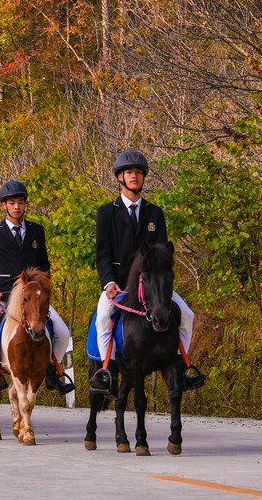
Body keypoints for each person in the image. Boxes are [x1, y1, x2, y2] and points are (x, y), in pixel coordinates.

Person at [89, 150, 205, 396]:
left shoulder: (155, 213)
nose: (134, 176)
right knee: (102, 320)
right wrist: (108, 283)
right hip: (120, 285)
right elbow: (102, 254)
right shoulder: (106, 212)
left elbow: (161, 253)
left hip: (152, 285)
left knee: (187, 314)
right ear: (120, 177)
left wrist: (160, 284)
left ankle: (181, 366)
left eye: (139, 173)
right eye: (130, 172)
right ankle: (106, 372)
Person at [0, 180, 74, 395]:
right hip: (4, 295)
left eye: (20, 202)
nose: (17, 207)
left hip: (31, 298)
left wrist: (42, 286)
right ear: (4, 205)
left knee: (62, 331)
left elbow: (44, 264)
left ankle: (52, 370)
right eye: (12, 203)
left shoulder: (36, 231)